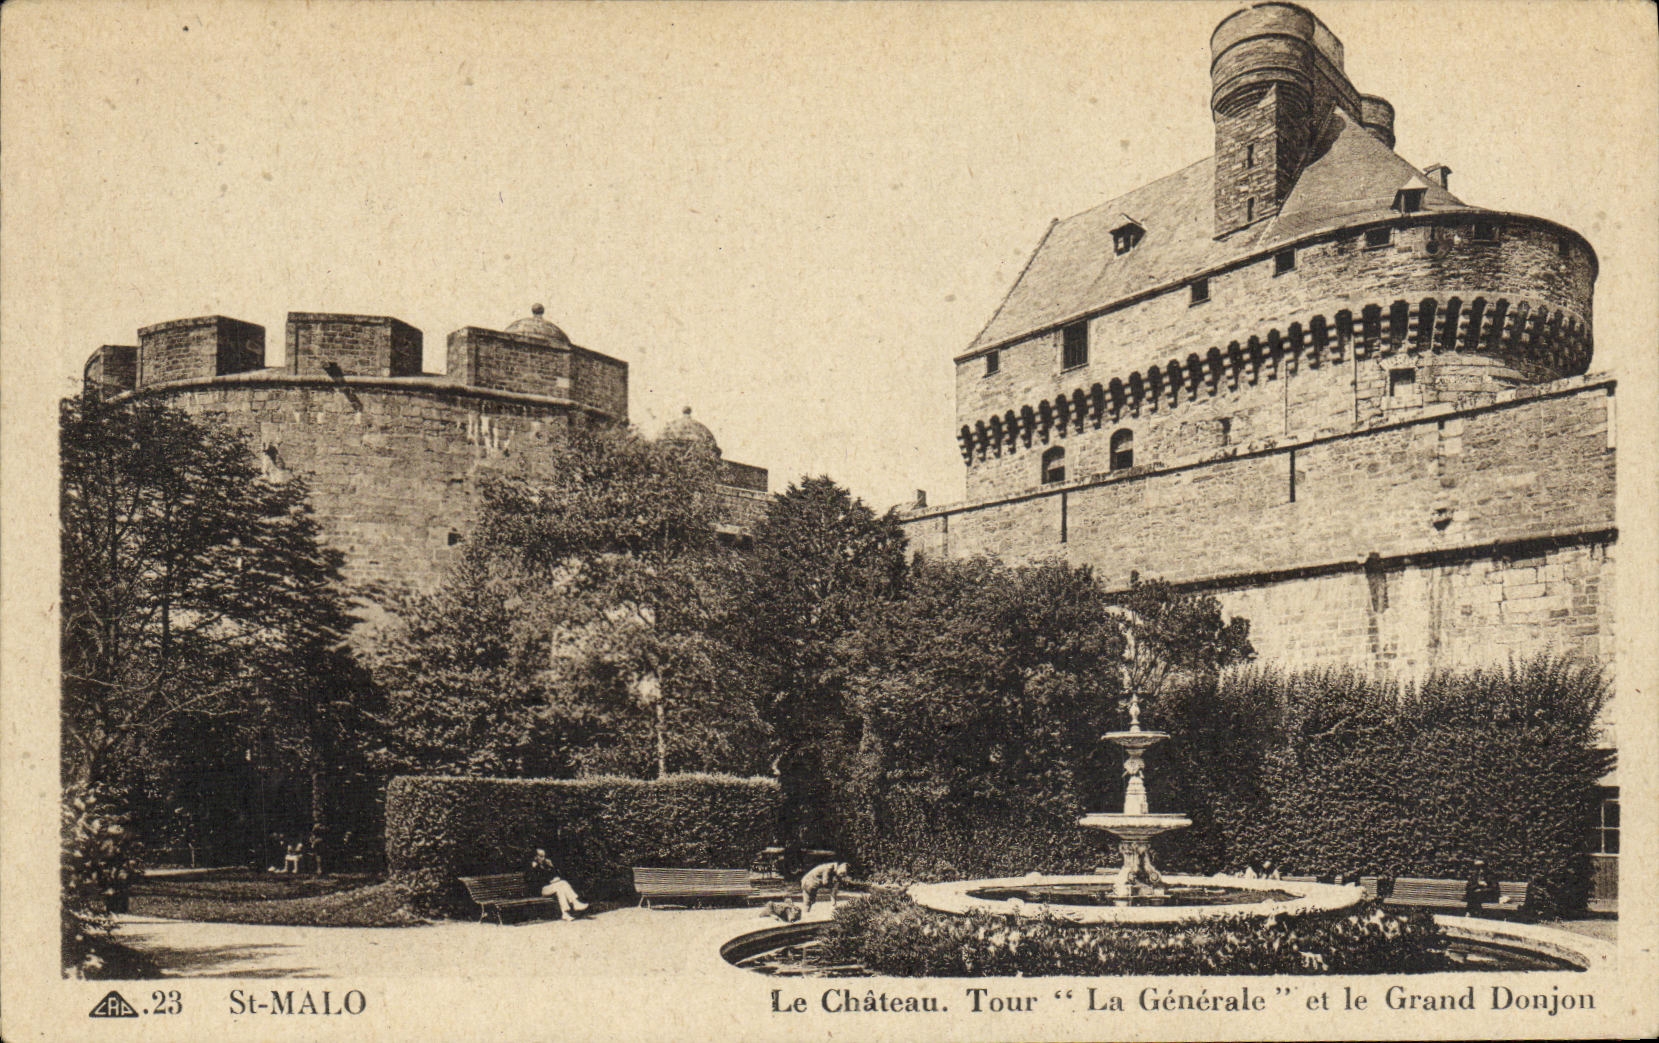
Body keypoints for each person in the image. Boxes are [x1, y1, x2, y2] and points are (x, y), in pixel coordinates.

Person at [530, 849, 588, 919]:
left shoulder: (545, 865)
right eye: (541, 856)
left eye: (544, 856)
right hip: (541, 890)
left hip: (550, 888)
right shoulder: (533, 867)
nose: (543, 858)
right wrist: (536, 868)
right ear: (535, 857)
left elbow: (553, 876)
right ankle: (575, 903)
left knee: (561, 888)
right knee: (562, 884)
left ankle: (565, 913)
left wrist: (551, 867)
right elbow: (537, 882)